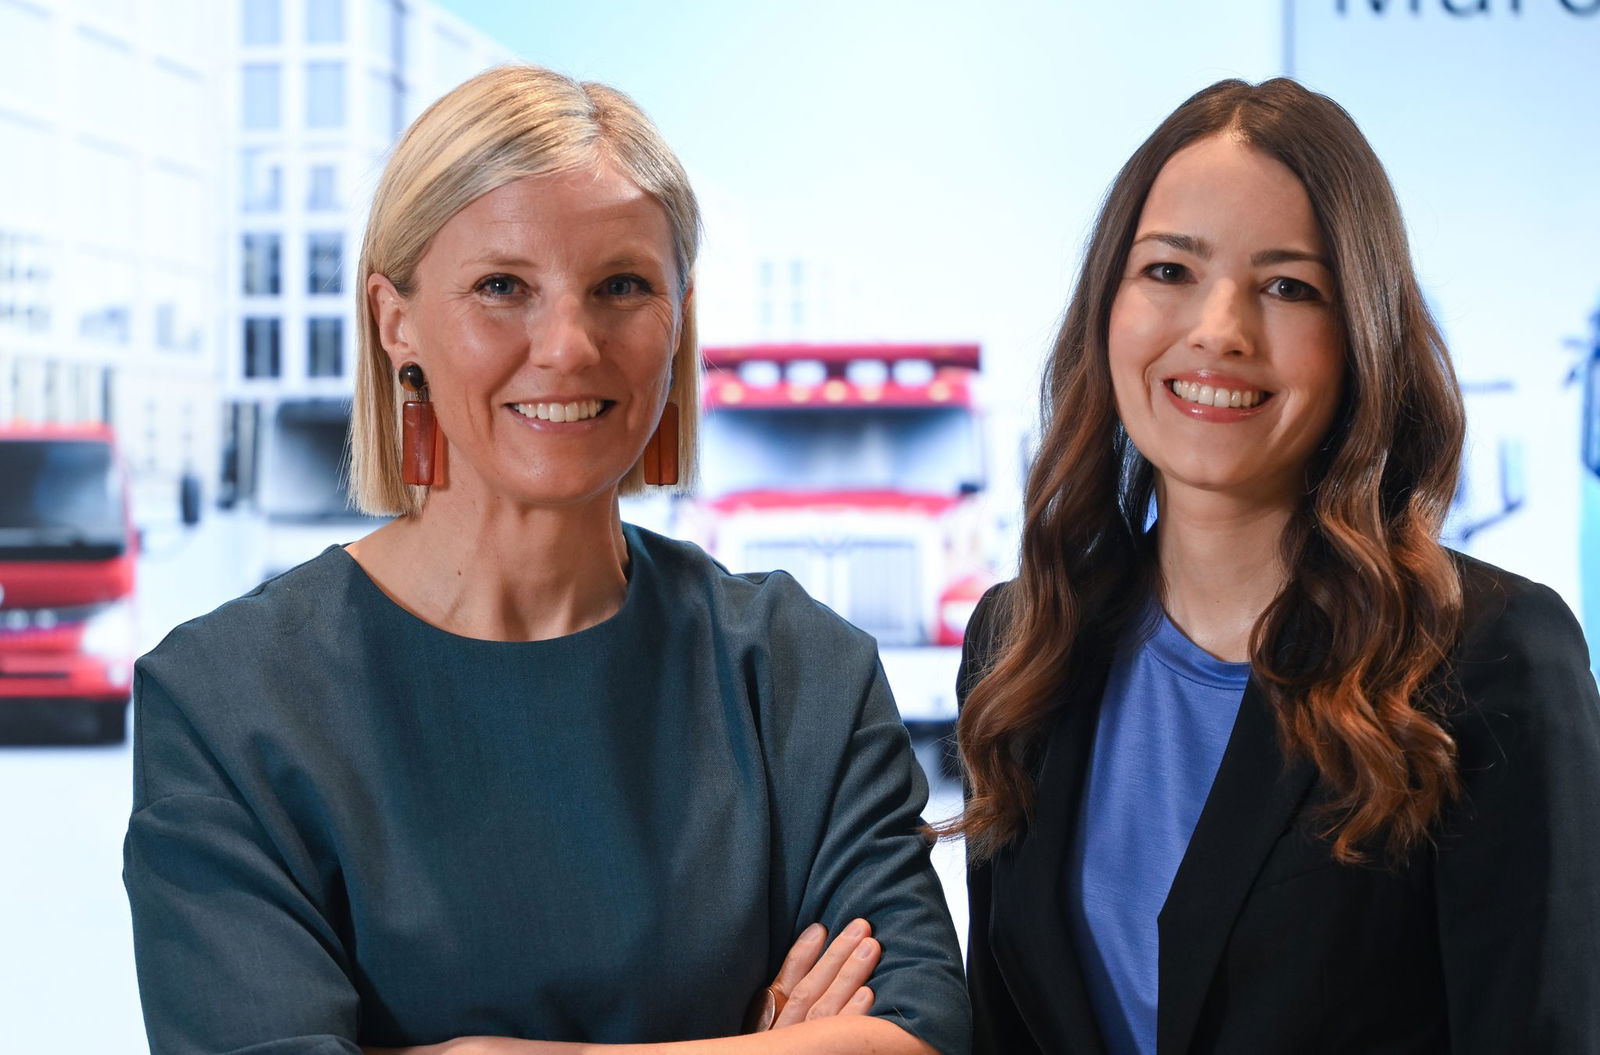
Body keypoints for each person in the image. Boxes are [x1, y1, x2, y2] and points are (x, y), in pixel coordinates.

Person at [123, 65, 968, 1055]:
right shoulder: (228, 700)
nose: (568, 345)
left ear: (679, 320)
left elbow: (921, 1036)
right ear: (397, 321)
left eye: (621, 286)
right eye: (502, 287)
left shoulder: (797, 670)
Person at [952, 77, 1600, 1055]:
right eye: (1169, 270)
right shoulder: (1023, 644)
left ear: (1361, 341)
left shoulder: (1493, 657)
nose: (1219, 328)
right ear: (1107, 306)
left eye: (1288, 286)